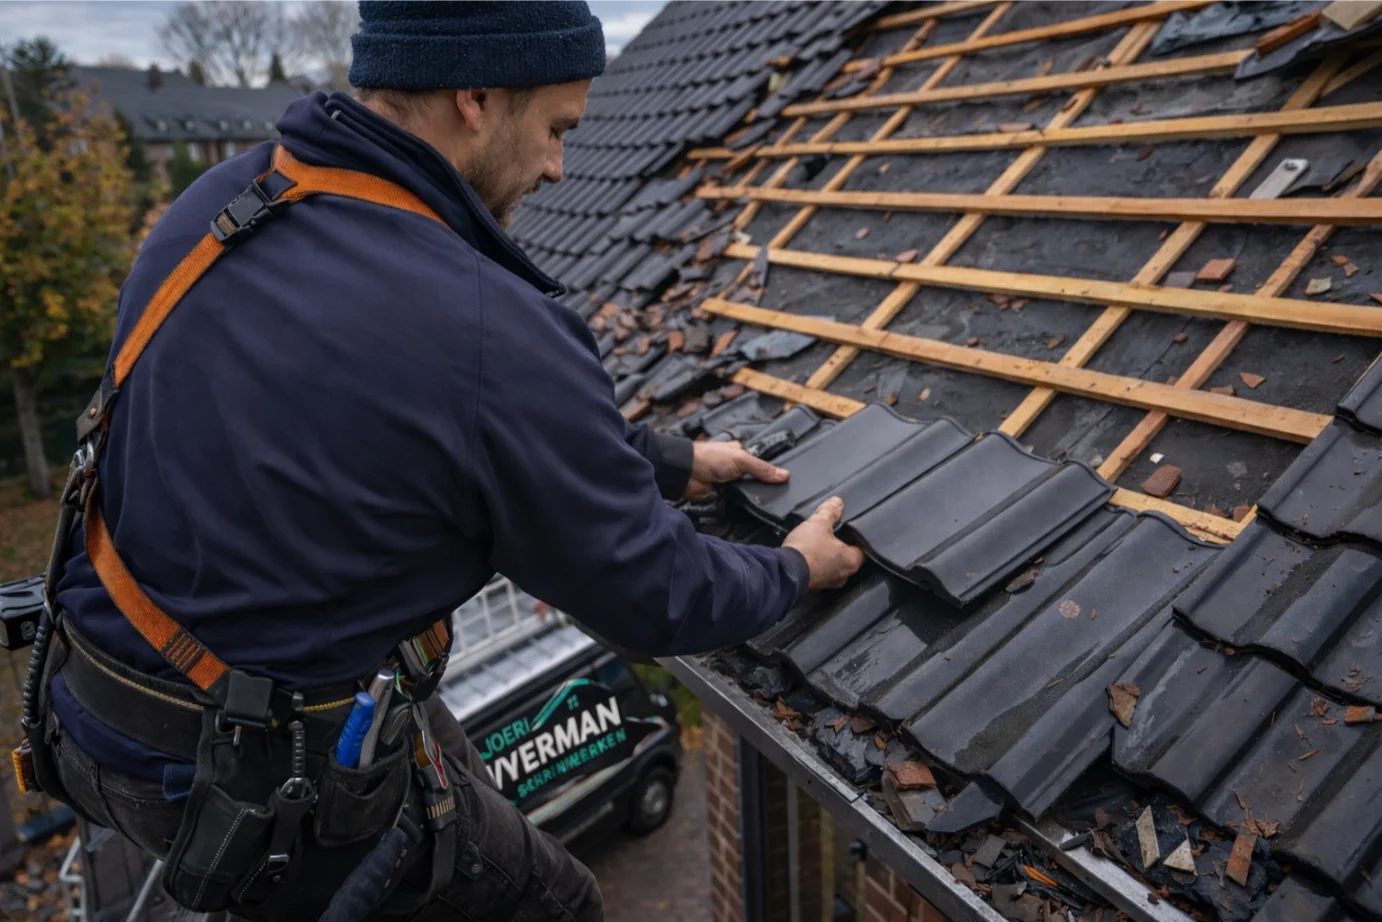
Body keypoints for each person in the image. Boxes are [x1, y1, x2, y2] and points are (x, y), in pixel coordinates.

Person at [23, 1, 865, 920]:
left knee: (441, 763)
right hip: (249, 782)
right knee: (557, 902)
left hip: (96, 709)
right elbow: (655, 592)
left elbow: (432, 422)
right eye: (555, 128)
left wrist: (668, 462)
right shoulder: (482, 327)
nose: (556, 165)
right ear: (474, 96)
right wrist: (792, 567)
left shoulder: (222, 205)